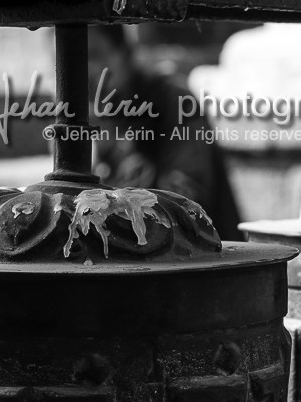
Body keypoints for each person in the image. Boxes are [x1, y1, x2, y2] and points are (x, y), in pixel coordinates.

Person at [86, 25, 244, 240]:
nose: (83, 71)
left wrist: (116, 151)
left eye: (93, 55)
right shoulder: (94, 115)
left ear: (125, 53)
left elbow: (188, 201)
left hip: (202, 256)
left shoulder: (174, 101)